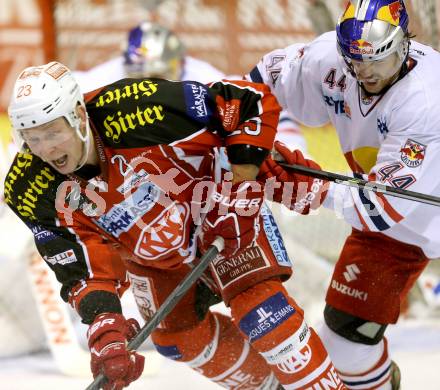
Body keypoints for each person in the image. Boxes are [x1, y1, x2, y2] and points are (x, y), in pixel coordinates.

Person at [5, 62, 346, 389]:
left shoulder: (140, 109)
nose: (46, 149)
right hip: (151, 253)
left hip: (220, 215)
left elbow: (245, 100)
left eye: (53, 132)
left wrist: (241, 187)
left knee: (264, 315)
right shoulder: (29, 188)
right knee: (178, 338)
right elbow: (82, 271)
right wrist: (106, 330)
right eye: (32, 138)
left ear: (78, 116)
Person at [249, 0, 440, 388]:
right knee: (345, 342)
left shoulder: (426, 100)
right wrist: (241, 135)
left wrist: (311, 188)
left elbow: (381, 206)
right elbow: (259, 81)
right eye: (356, 62)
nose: (366, 73)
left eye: (379, 62)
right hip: (400, 225)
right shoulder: (331, 60)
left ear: (404, 46)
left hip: (405, 208)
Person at [73, 21, 308, 153]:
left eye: (158, 74)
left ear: (180, 63)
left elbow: (260, 104)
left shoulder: (203, 78)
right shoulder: (104, 78)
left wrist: (292, 150)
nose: (152, 85)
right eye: (142, 76)